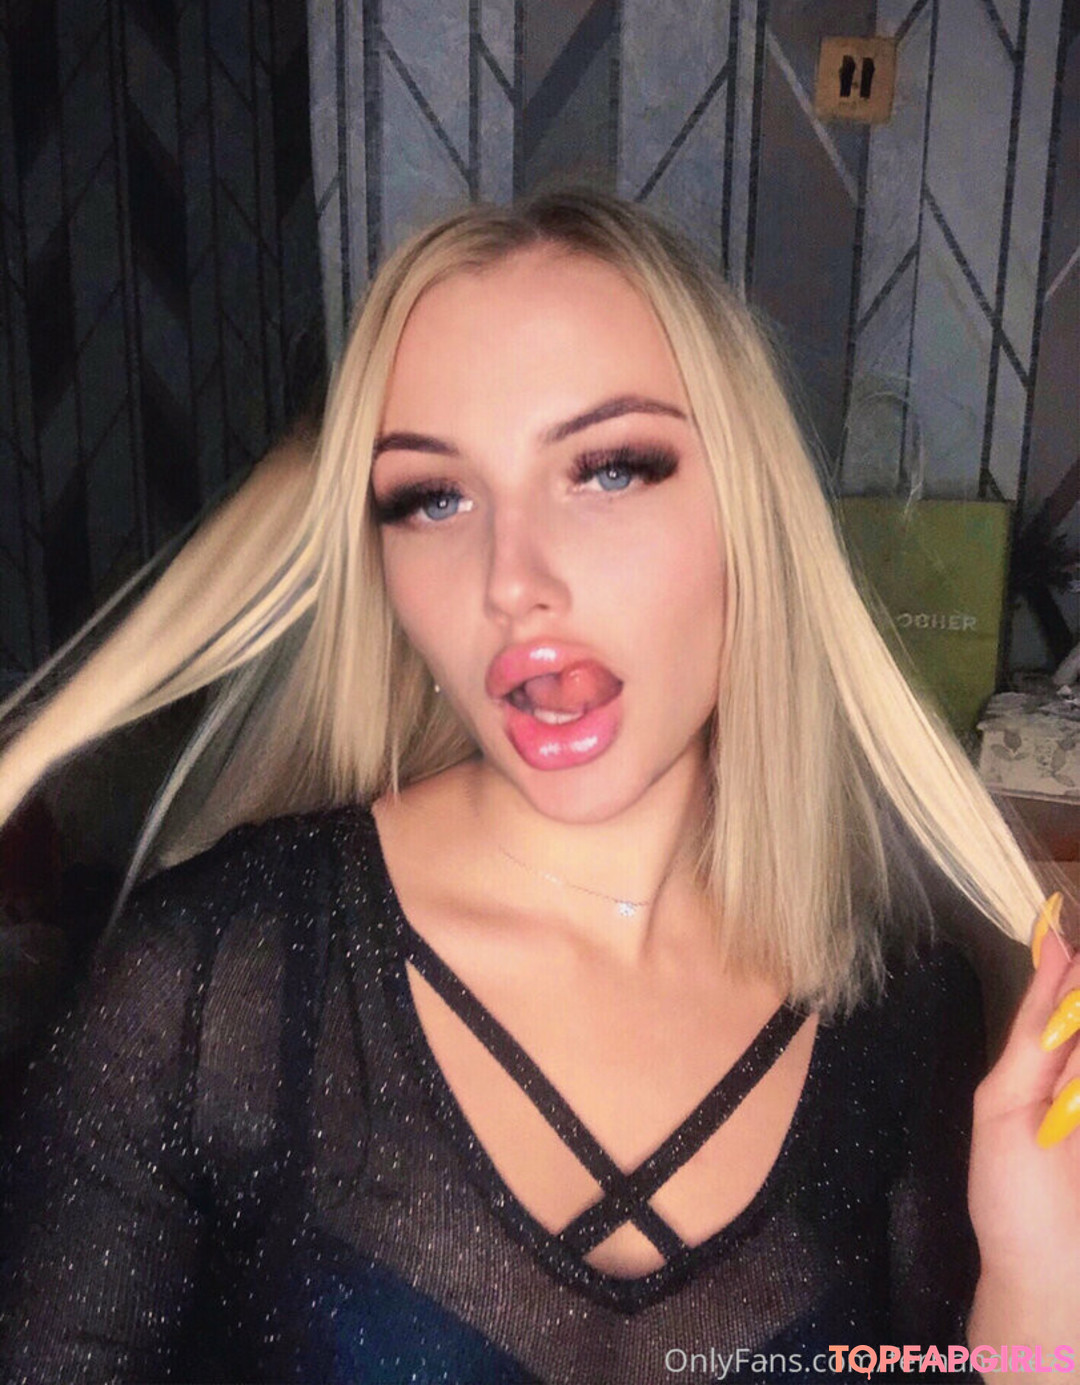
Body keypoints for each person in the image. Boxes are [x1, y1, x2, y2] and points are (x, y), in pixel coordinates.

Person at [0, 190, 1076, 1384]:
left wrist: (1042, 1292)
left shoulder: (902, 1007)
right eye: (433, 497)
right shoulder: (208, 983)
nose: (511, 578)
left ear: (754, 514)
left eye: (607, 470)